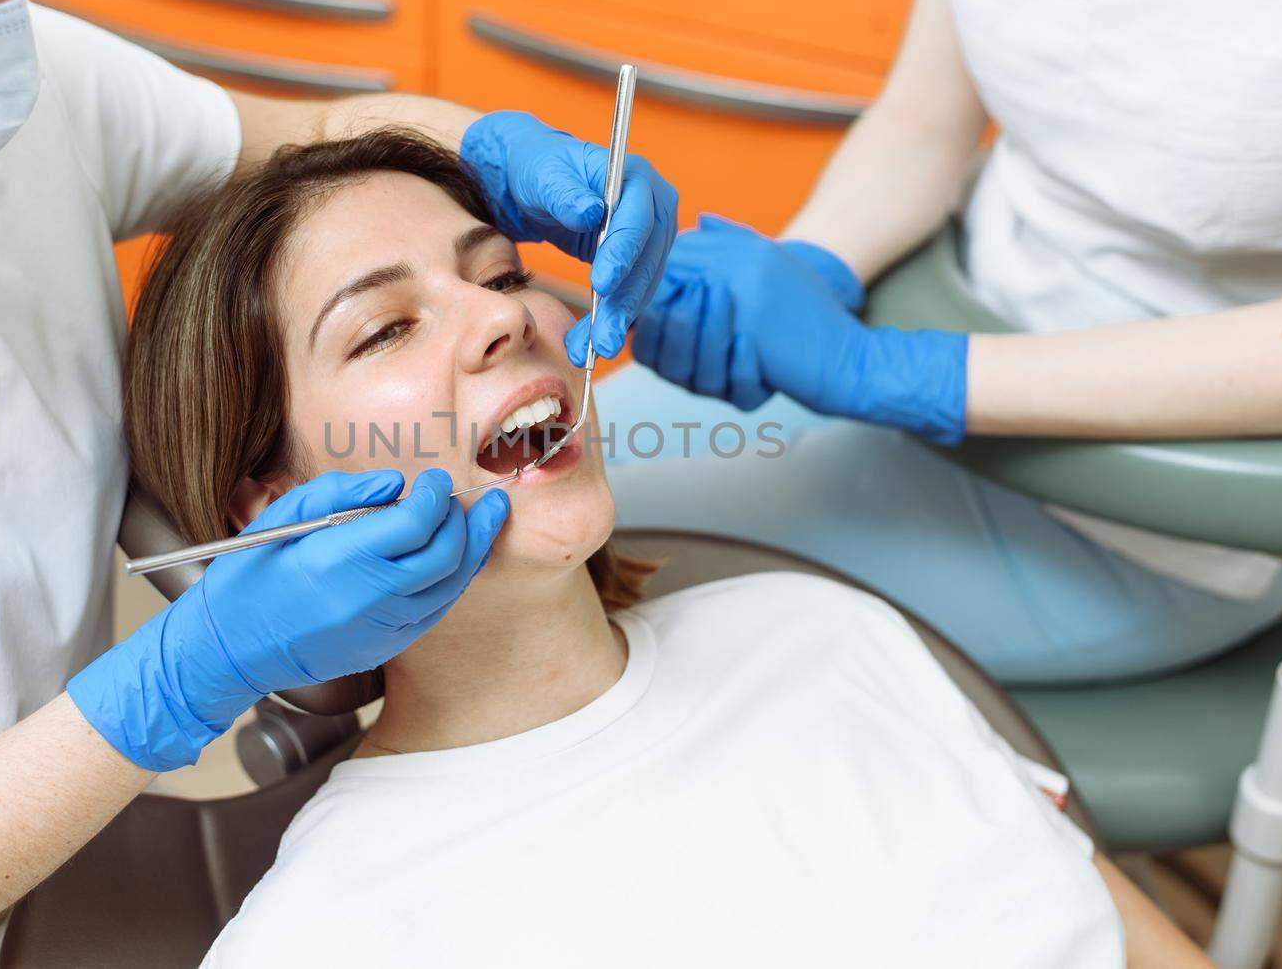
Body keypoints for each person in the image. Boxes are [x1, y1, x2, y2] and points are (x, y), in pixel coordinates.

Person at [0, 0, 677, 965]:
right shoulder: (334, 929)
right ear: (262, 509)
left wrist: (482, 149)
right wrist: (187, 673)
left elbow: (319, 150)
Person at [118, 127, 1214, 968]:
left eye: (501, 274)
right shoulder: (331, 930)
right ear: (273, 502)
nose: (509, 319)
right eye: (385, 327)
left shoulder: (819, 627)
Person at [603, 0, 1282, 684]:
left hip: (1155, 513)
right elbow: (923, 121)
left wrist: (888, 371)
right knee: (535, 489)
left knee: (622, 590)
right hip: (922, 349)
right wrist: (809, 269)